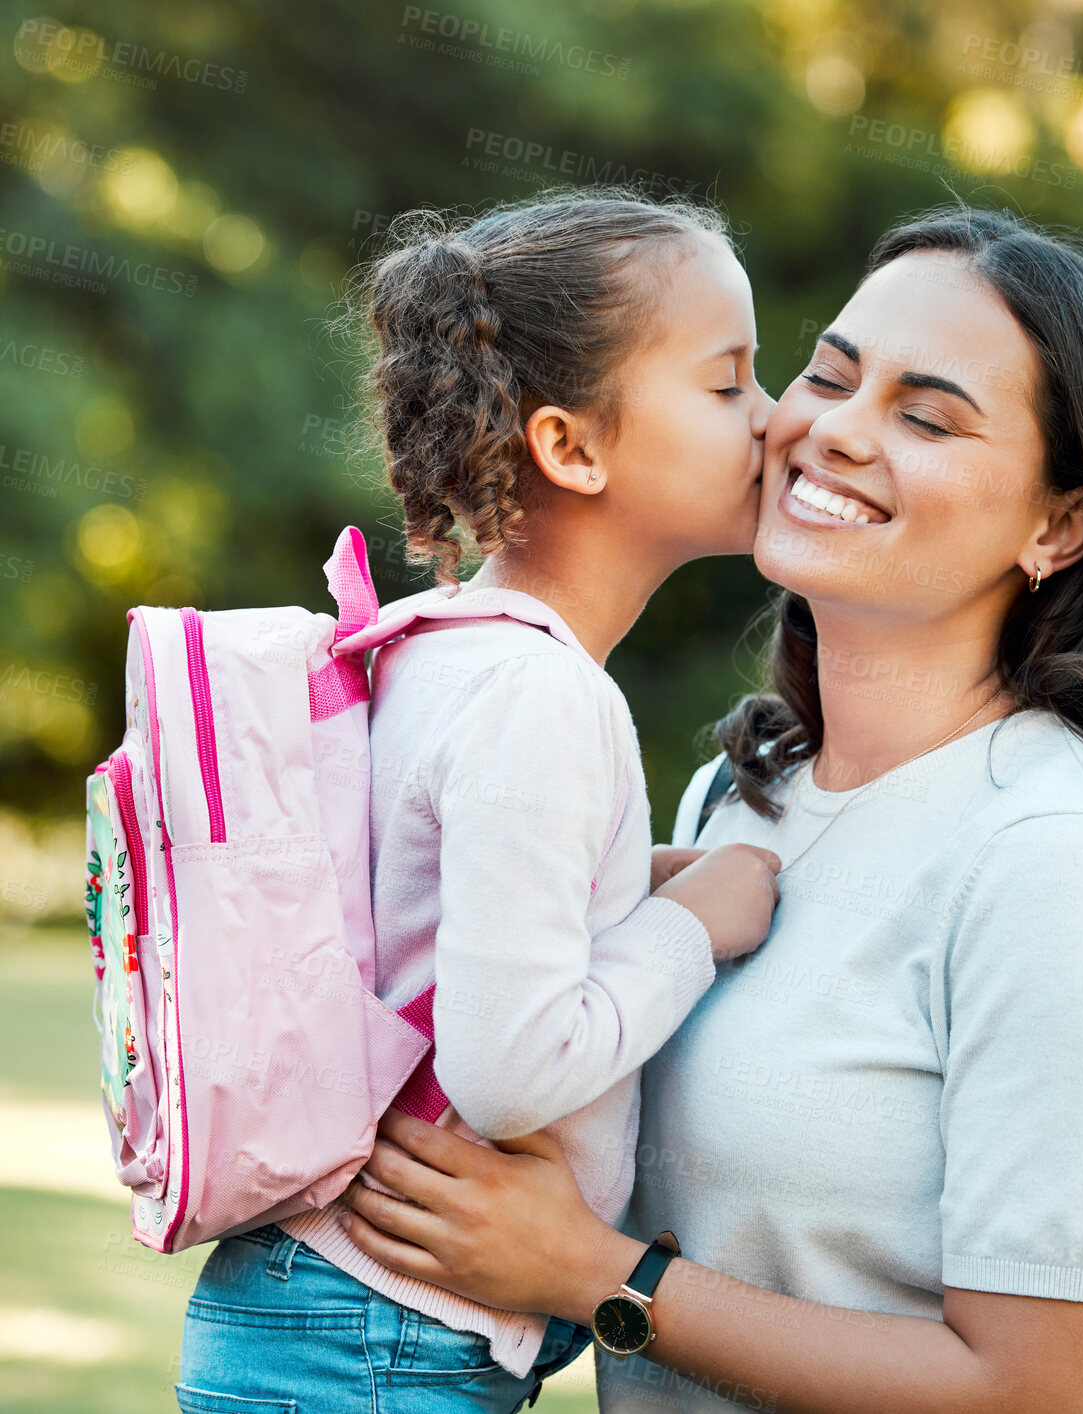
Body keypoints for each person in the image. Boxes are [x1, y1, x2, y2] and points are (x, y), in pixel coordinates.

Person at [338, 203, 1083, 1413]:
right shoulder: (734, 797)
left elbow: (1024, 1388)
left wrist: (593, 1274)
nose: (832, 432)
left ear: (1057, 526)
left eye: (924, 415)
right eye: (829, 375)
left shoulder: (1060, 854)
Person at [177, 190, 784, 1414]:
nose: (777, 422)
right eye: (728, 385)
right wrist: (695, 925)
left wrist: (638, 878)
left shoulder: (433, 645)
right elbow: (511, 1069)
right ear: (572, 448)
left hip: (324, 1306)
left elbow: (433, 904)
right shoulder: (543, 696)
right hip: (377, 1334)